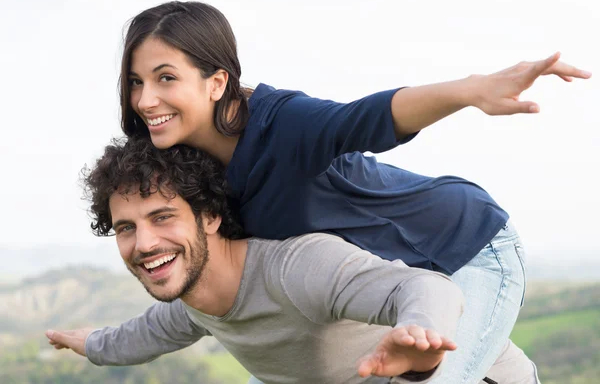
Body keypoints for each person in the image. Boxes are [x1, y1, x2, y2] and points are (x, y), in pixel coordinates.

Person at [118, 1, 591, 383]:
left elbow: (365, 117)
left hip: (469, 246)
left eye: (166, 78)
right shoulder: (186, 164)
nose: (145, 100)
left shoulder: (281, 124)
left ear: (217, 81)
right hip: (405, 276)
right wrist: (97, 343)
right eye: (137, 82)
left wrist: (470, 90)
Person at [47, 137, 465, 383]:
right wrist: (83, 342)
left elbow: (425, 286)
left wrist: (422, 335)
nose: (143, 243)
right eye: (126, 228)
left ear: (209, 216)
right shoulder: (194, 305)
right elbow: (133, 339)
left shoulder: (295, 269)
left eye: (163, 217)